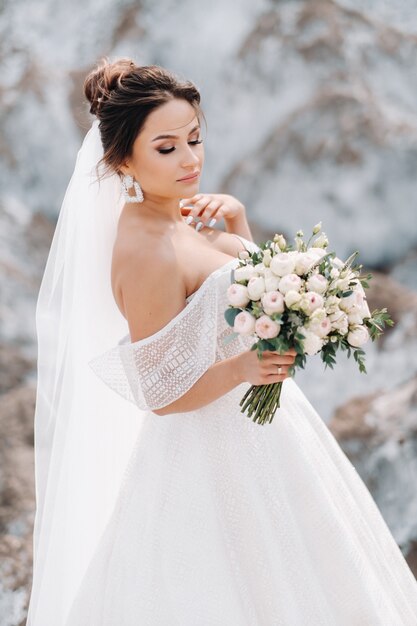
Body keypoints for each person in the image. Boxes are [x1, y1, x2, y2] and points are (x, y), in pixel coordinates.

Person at [26, 57, 417, 626]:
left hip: (265, 434)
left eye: (194, 138)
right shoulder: (144, 250)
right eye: (167, 148)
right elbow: (158, 391)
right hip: (208, 454)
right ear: (121, 158)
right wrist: (240, 372)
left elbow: (236, 306)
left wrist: (239, 228)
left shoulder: (178, 217)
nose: (190, 160)